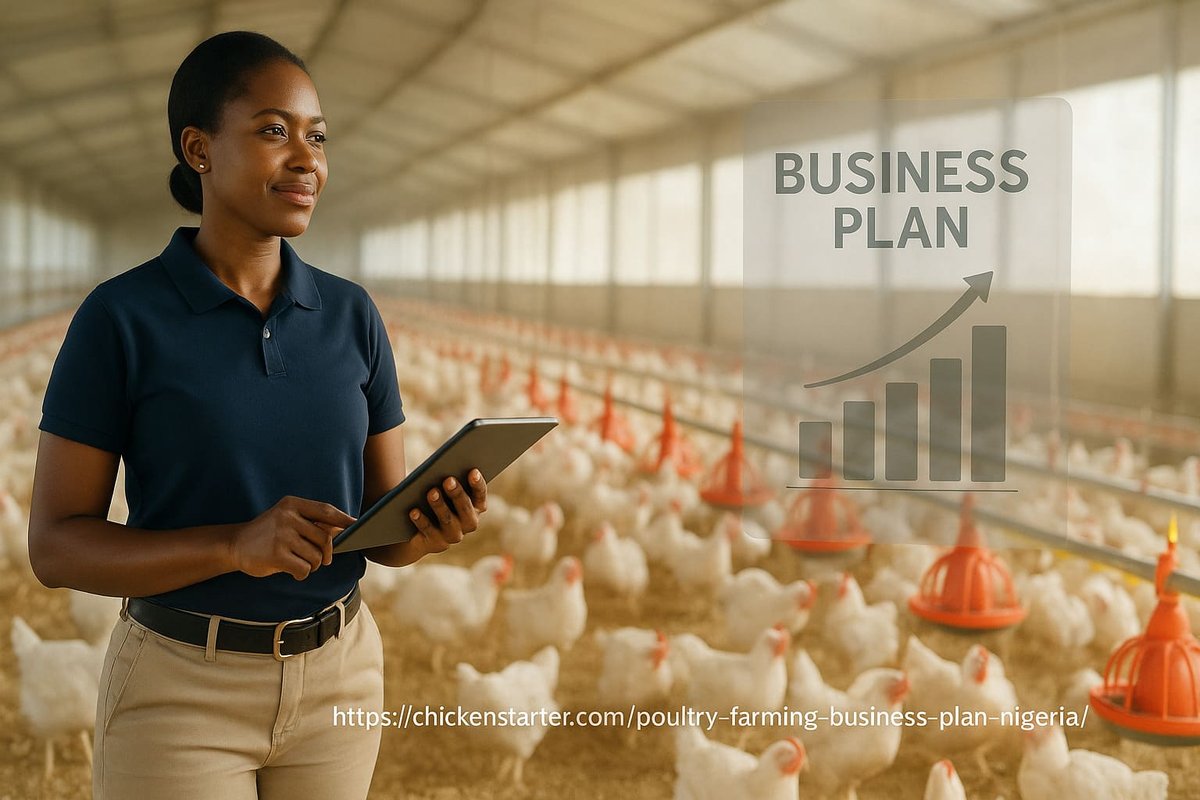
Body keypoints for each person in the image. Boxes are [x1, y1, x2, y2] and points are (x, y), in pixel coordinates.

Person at [26, 30, 486, 800]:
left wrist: (428, 524)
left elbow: (381, 534)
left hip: (339, 675)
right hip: (182, 690)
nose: (306, 159)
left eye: (317, 137)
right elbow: (55, 547)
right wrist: (235, 546)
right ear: (199, 149)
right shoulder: (121, 319)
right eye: (275, 131)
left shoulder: (352, 316)